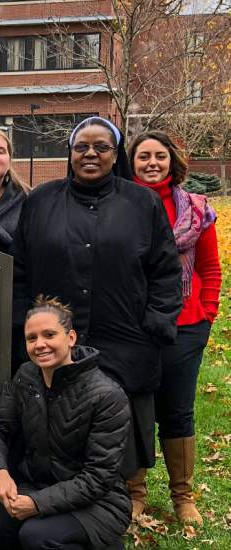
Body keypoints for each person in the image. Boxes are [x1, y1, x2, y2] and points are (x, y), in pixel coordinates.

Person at [12, 116, 182, 483]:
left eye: (101, 147)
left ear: (115, 153)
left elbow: (166, 270)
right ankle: (60, 493)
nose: (91, 154)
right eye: (81, 147)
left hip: (125, 335)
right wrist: (21, 321)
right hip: (56, 339)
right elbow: (19, 267)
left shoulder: (141, 202)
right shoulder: (41, 200)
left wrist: (156, 322)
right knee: (60, 422)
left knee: (120, 428)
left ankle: (121, 498)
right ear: (70, 153)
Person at [0, 296, 131, 550]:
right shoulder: (26, 376)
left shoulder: (107, 395)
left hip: (98, 502)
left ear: (70, 338)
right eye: (31, 338)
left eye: (49, 335)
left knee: (38, 536)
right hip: (37, 485)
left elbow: (98, 477)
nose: (40, 345)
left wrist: (37, 504)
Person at [126, 130, 221, 524]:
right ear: (130, 163)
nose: (152, 163)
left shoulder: (197, 210)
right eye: (143, 156)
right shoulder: (119, 206)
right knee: (135, 409)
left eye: (159, 156)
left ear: (172, 161)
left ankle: (183, 497)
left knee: (178, 410)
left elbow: (210, 268)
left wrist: (208, 313)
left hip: (186, 324)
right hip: (133, 326)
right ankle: (134, 493)